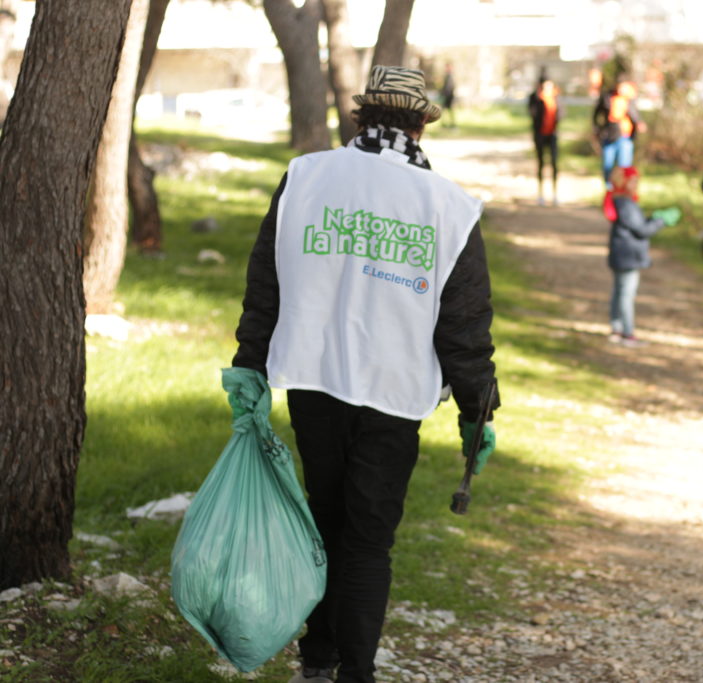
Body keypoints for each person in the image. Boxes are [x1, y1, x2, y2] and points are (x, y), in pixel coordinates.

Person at [231, 65, 500, 683]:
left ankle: (316, 664)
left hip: (312, 379)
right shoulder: (449, 207)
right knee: (369, 539)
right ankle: (354, 673)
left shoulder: (305, 176)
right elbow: (464, 329)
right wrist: (476, 411)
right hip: (394, 393)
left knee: (326, 517)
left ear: (362, 118)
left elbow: (264, 282)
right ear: (419, 124)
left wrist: (250, 364)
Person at [605, 166, 679, 347]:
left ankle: (617, 328)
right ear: (625, 182)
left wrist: (653, 217)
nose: (637, 185)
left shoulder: (622, 201)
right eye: (634, 181)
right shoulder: (625, 203)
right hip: (627, 256)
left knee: (619, 292)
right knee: (626, 295)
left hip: (621, 254)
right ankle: (627, 332)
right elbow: (642, 230)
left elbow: (636, 225)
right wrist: (661, 221)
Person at [593, 79, 645, 188]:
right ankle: (609, 189)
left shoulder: (629, 99)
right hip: (610, 136)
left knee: (624, 166)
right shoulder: (607, 97)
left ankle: (623, 191)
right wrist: (597, 130)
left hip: (625, 137)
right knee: (608, 165)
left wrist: (639, 123)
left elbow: (635, 115)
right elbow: (596, 114)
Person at [527, 74, 563, 206]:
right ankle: (540, 194)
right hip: (540, 135)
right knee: (541, 163)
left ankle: (555, 194)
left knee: (554, 163)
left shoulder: (555, 98)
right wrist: (538, 97)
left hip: (552, 135)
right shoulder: (535, 98)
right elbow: (533, 113)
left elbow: (561, 113)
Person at [439, 62, 456, 128]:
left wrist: (446, 94)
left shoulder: (450, 76)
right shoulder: (447, 76)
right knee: (444, 110)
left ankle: (452, 124)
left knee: (450, 110)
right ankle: (444, 124)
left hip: (449, 96)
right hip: (446, 96)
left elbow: (450, 87)